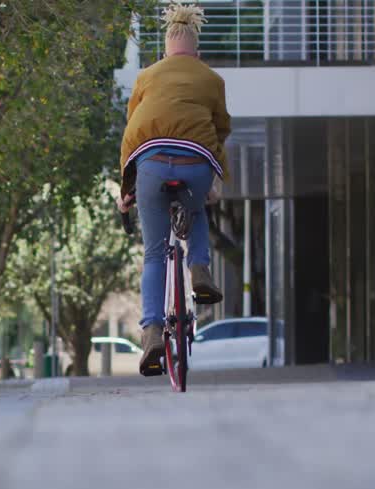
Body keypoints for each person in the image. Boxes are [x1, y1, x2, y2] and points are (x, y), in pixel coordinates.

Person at [118, 3, 230, 373]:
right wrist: (210, 181)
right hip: (196, 162)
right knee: (195, 207)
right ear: (196, 53)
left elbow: (132, 128)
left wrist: (128, 188)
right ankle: (199, 270)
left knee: (153, 254)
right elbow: (220, 129)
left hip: (149, 163)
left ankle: (151, 333)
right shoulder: (211, 79)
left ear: (165, 51)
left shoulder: (147, 76)